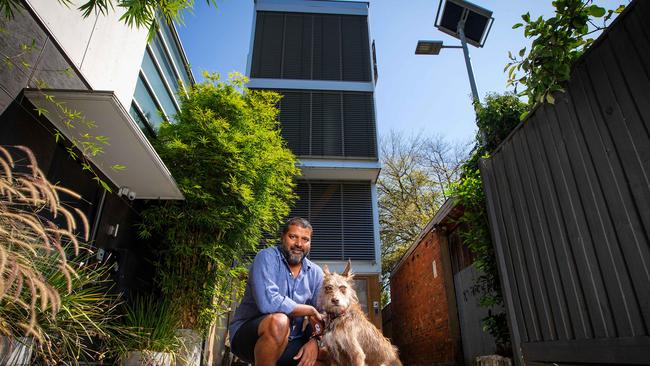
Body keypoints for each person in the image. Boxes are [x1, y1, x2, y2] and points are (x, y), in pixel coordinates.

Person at [229, 217, 326, 366]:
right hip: (250, 337)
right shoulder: (266, 258)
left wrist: (314, 340)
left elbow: (321, 317)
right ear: (282, 237)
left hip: (292, 340)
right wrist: (309, 309)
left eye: (305, 239)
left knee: (332, 356)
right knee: (279, 321)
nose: (299, 244)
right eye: (293, 237)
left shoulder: (316, 273)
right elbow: (268, 303)